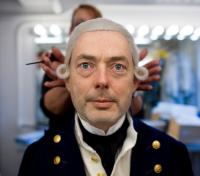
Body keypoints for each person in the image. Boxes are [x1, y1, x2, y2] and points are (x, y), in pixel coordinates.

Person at [18, 18, 193, 176]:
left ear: (134, 82)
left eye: (118, 67)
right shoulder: (37, 158)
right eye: (85, 65)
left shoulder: (173, 156)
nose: (102, 81)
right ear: (68, 81)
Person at [40, 4, 161, 129]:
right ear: (70, 31)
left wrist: (129, 84)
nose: (85, 29)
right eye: (85, 65)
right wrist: (70, 79)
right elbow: (49, 108)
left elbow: (135, 111)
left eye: (92, 24)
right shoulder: (56, 66)